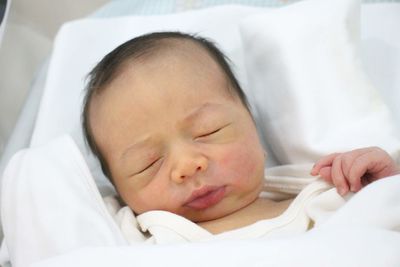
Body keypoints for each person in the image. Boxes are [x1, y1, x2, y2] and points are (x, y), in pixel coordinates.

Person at [81, 32, 399, 240]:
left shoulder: (331, 193)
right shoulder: (129, 236)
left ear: (251, 124)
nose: (187, 165)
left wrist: (385, 182)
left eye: (209, 131)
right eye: (147, 163)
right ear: (119, 190)